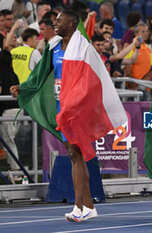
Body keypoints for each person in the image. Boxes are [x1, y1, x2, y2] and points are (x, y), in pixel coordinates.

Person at [10, 10, 98, 222]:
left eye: (59, 21)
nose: (54, 24)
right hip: (61, 106)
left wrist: (75, 103)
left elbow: (91, 81)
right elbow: (40, 74)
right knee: (76, 154)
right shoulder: (54, 47)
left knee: (75, 154)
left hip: (76, 108)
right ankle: (89, 206)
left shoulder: (83, 48)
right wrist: (23, 88)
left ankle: (79, 208)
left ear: (72, 24)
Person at [0, 50, 22, 179]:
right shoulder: (13, 74)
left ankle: (16, 170)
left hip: (9, 111)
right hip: (17, 110)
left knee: (8, 141)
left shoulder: (1, 73)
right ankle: (13, 168)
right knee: (8, 141)